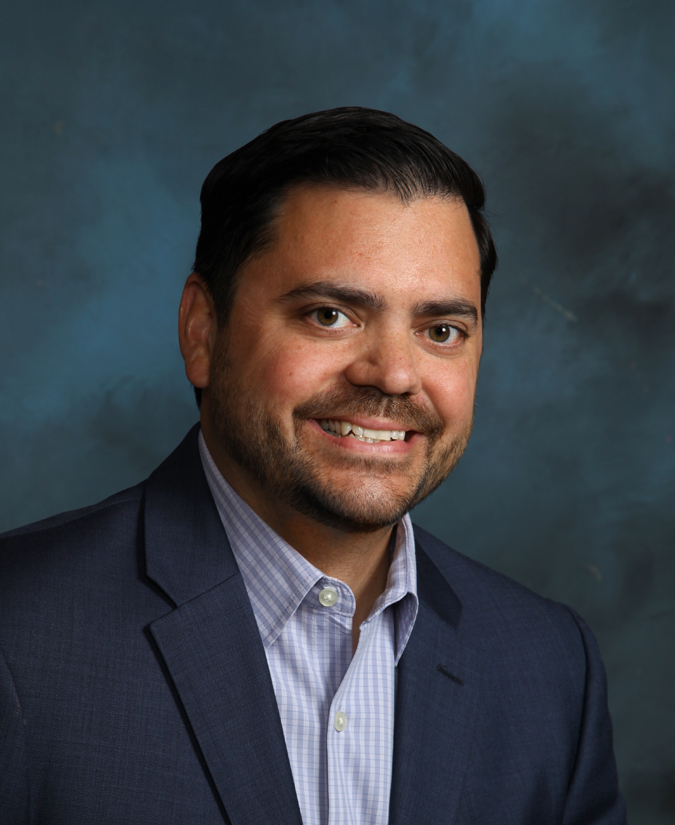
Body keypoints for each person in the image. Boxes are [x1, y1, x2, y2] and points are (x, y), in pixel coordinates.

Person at [0, 107, 625, 824]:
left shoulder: (549, 667)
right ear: (201, 331)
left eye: (440, 330)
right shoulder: (18, 633)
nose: (393, 374)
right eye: (330, 314)